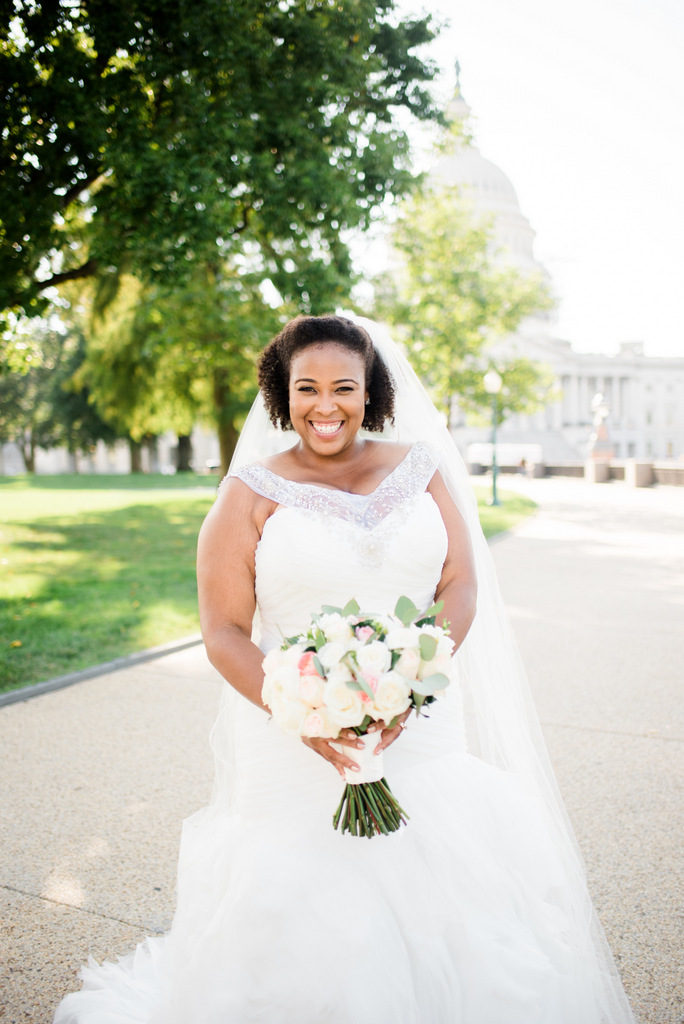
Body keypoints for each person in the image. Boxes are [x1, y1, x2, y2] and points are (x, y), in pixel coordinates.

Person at [54, 314, 635, 1023]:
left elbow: (460, 584)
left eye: (343, 388)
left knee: (443, 899)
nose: (324, 406)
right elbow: (223, 631)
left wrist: (413, 682)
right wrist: (307, 713)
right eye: (307, 388)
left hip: (419, 726)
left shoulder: (421, 467)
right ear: (281, 392)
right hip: (291, 736)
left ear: (371, 391)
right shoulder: (248, 494)